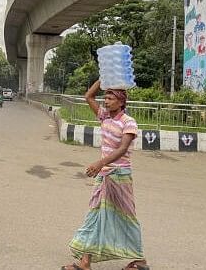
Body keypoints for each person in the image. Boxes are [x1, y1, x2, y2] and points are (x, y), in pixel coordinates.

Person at [62, 80, 148, 270]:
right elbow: (88, 96)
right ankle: (85, 261)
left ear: (121, 102)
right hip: (105, 175)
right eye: (106, 98)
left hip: (120, 175)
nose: (106, 101)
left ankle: (139, 260)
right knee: (96, 214)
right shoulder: (104, 117)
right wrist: (104, 77)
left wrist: (100, 163)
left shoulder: (128, 122)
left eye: (111, 98)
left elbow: (122, 148)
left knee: (127, 216)